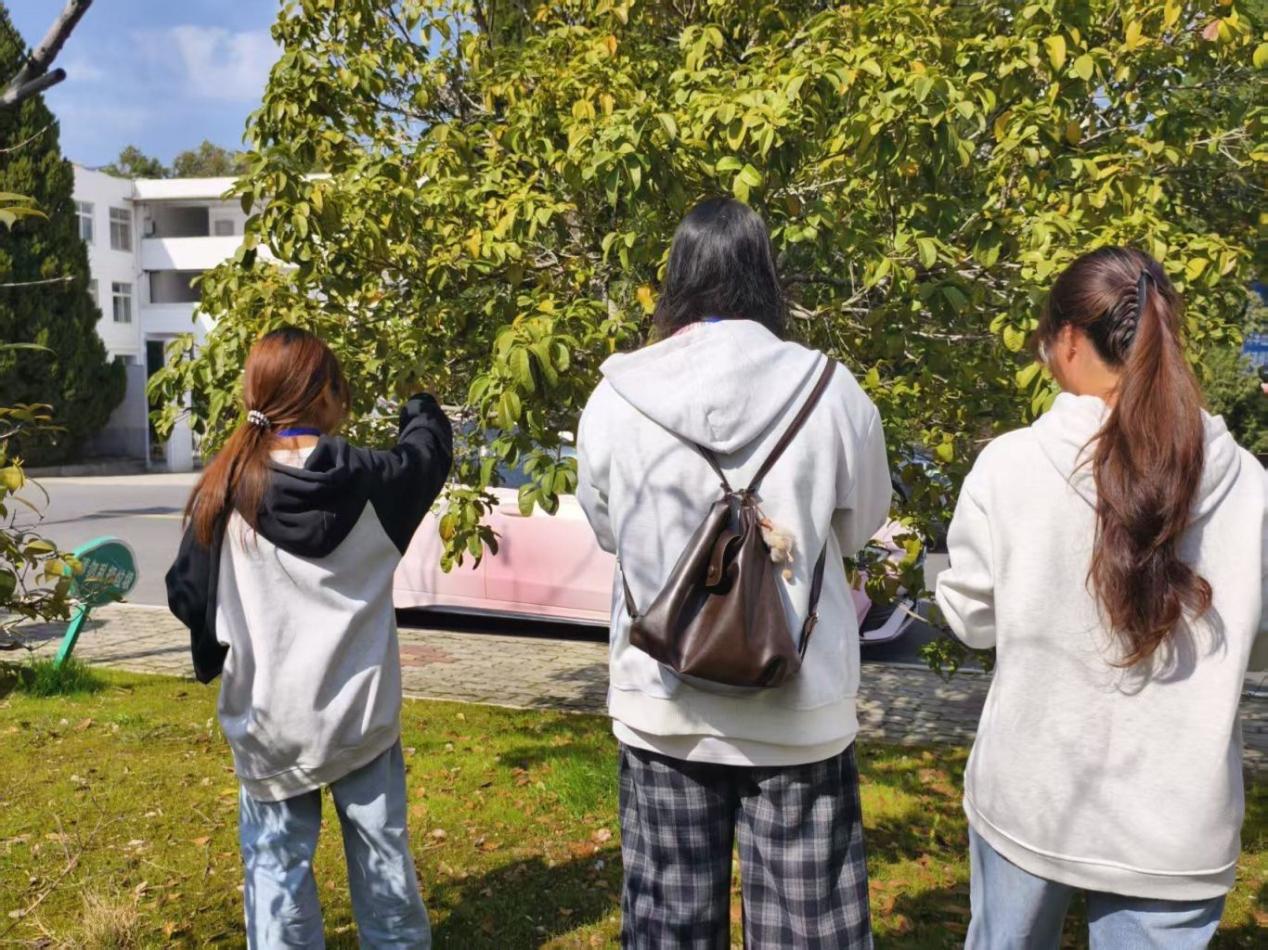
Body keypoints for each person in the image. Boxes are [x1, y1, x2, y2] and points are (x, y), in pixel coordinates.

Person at [576, 197, 891, 947]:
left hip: (664, 706)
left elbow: (608, 531)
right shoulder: (830, 389)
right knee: (809, 931)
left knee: (670, 928)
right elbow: (860, 525)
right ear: (765, 273)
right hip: (800, 708)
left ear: (677, 277)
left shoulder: (616, 396)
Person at [936, 247, 1267, 948]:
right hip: (1176, 826)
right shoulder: (1250, 485)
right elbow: (1258, 644)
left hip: (1032, 799)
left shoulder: (1010, 465)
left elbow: (971, 617)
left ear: (1067, 339)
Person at [166, 327, 452, 949]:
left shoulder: (223, 490)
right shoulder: (374, 480)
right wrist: (419, 405)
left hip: (269, 720)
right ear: (325, 395)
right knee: (385, 874)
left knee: (277, 877)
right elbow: (427, 454)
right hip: (360, 718)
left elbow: (187, 596)